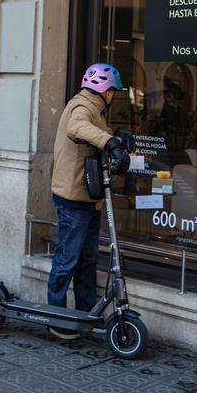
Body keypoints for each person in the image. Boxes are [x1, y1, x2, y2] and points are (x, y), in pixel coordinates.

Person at [46, 63, 130, 340]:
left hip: (86, 198)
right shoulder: (83, 105)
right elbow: (78, 127)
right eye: (113, 92)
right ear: (106, 91)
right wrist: (111, 142)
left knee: (87, 261)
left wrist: (115, 136)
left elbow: (92, 137)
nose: (113, 96)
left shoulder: (93, 107)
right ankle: (56, 318)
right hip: (73, 198)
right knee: (67, 260)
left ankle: (85, 313)